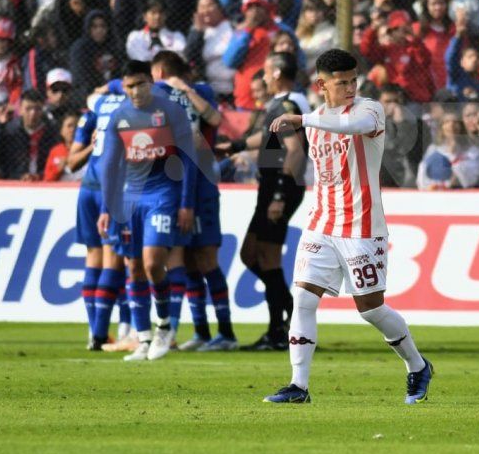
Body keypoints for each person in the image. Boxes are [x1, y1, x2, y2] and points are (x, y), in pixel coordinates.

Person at [263, 48, 433, 405]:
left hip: (362, 226)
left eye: (354, 80)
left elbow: (350, 126)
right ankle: (298, 386)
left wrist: (303, 119)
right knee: (303, 298)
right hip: (322, 222)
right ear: (321, 85)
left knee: (370, 309)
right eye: (342, 83)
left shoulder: (369, 110)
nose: (351, 88)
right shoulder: (316, 121)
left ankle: (418, 365)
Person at [98, 60, 198, 362]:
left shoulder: (170, 112)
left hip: (162, 195)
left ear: (150, 83)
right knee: (133, 268)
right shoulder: (119, 116)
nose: (135, 91)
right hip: (130, 198)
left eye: (140, 84)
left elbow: (188, 159)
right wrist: (106, 207)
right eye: (129, 86)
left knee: (154, 262)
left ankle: (164, 325)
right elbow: (110, 165)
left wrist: (186, 203)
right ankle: (142, 338)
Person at [149, 51, 237, 352]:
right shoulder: (159, 96)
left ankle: (226, 332)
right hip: (178, 187)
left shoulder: (199, 92)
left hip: (202, 187)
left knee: (207, 259)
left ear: (160, 71)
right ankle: (201, 331)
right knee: (187, 263)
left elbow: (215, 119)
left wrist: (184, 89)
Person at [230, 52, 309, 351]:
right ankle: (289, 313)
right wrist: (235, 145)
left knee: (266, 258)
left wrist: (279, 195)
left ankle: (279, 330)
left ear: (276, 73)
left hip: (280, 188)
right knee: (250, 254)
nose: (262, 77)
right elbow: (267, 139)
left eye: (265, 71)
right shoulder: (281, 105)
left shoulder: (286, 105)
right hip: (270, 187)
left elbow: (295, 151)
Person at [71, 86, 128, 350]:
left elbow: (72, 162)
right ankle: (107, 332)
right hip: (111, 188)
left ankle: (94, 331)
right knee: (115, 261)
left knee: (93, 258)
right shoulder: (134, 106)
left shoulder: (97, 107)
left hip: (87, 188)